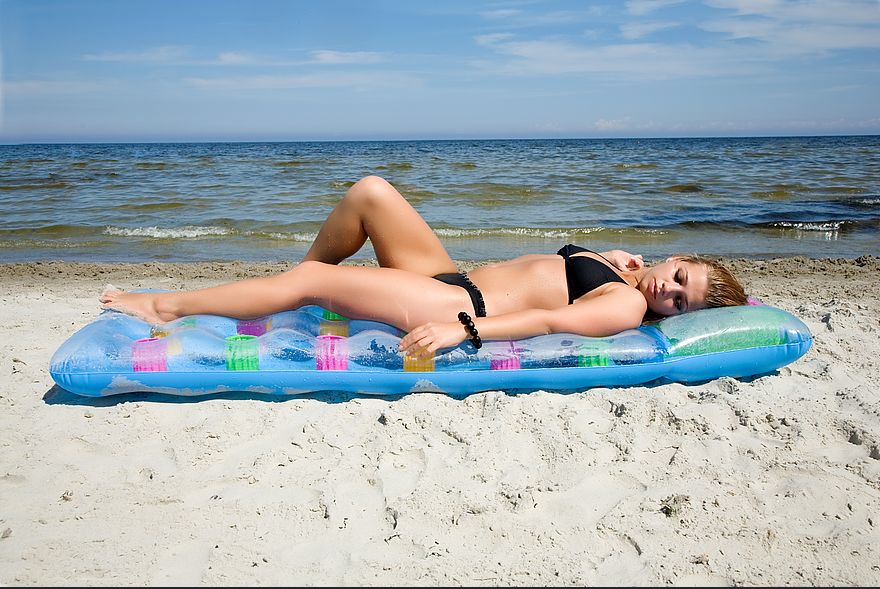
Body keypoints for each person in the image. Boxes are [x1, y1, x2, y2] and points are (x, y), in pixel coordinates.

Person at [100, 176, 747, 355]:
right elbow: (570, 272)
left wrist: (463, 330)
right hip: (452, 276)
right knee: (371, 193)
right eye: (681, 278)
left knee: (315, 281)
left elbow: (551, 316)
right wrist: (612, 257)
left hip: (458, 306)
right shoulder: (628, 271)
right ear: (679, 258)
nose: (669, 293)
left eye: (680, 303)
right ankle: (291, 291)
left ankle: (166, 305)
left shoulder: (628, 304)